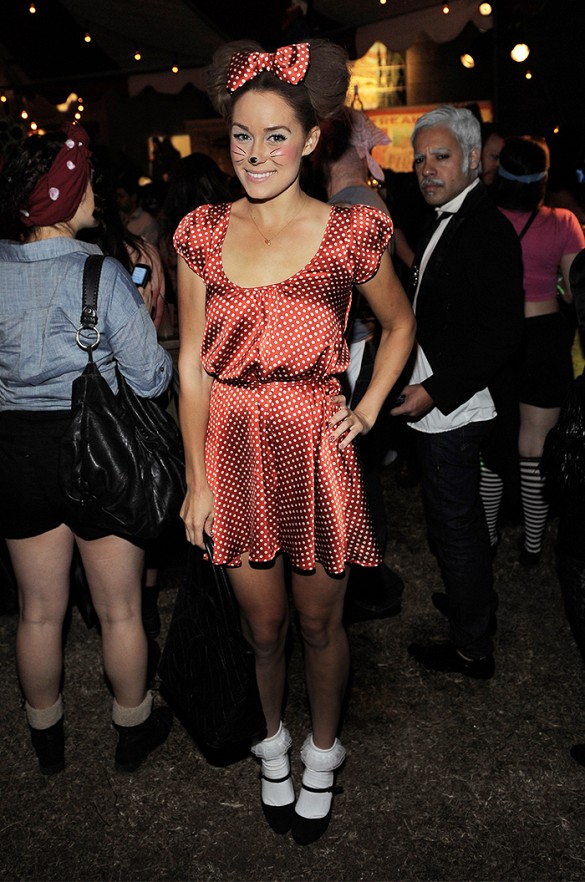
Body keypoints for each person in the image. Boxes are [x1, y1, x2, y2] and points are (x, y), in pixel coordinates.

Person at [175, 40, 415, 844]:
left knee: (319, 627)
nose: (254, 154)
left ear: (311, 140)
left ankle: (321, 754)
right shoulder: (201, 231)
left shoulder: (348, 231)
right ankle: (271, 743)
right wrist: (196, 481)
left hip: (315, 445)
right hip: (233, 447)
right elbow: (191, 366)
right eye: (241, 136)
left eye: (275, 136)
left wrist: (368, 408)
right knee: (263, 630)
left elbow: (399, 323)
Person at [0, 123, 174, 775]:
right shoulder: (101, 273)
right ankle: (132, 727)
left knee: (38, 611)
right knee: (120, 609)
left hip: (17, 453)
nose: (96, 192)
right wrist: (141, 318)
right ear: (66, 194)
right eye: (88, 182)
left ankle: (46, 737)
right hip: (99, 449)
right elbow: (151, 381)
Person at [391, 105, 524, 679]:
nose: (427, 168)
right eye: (420, 158)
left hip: (458, 405)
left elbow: (503, 334)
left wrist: (434, 391)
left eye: (440, 156)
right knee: (451, 521)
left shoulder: (485, 229)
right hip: (443, 396)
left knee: (456, 525)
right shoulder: (447, 218)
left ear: (472, 159)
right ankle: (472, 603)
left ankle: (472, 647)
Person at [311, 106, 405, 623]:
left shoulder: (350, 205)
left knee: (355, 464)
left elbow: (392, 305)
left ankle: (366, 577)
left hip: (357, 350)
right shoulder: (361, 198)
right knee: (358, 464)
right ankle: (366, 574)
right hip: (359, 345)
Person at [482, 137, 585, 566]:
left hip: (496, 340)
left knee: (492, 445)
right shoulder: (564, 222)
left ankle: (487, 539)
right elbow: (575, 291)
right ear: (543, 178)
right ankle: (532, 546)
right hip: (545, 338)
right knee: (535, 446)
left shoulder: (485, 218)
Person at [116, 171, 160, 245]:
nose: (118, 200)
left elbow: (150, 247)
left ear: (133, 197)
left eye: (121, 196)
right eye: (116, 196)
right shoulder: (119, 217)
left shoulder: (147, 221)